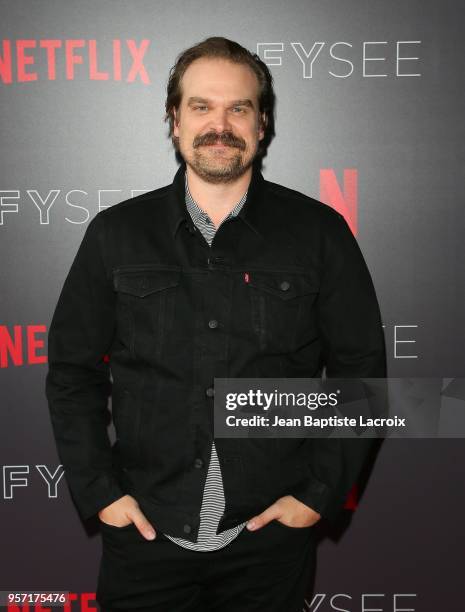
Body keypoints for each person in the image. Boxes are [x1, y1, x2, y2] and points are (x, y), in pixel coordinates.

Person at [45, 36, 386, 612]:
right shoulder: (115, 233)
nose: (219, 124)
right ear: (174, 121)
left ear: (262, 123)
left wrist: (317, 494)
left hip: (269, 541)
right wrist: (101, 493)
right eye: (201, 107)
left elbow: (361, 370)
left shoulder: (319, 232)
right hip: (145, 532)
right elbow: (71, 371)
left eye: (239, 108)